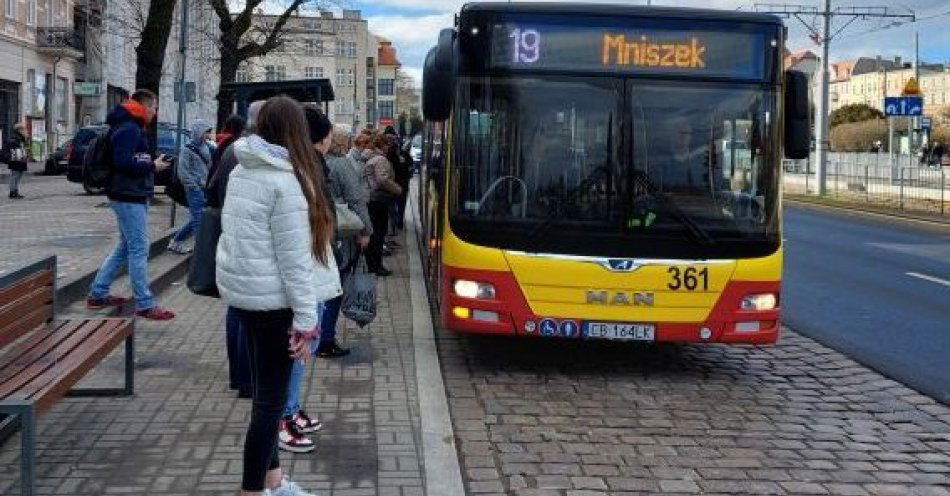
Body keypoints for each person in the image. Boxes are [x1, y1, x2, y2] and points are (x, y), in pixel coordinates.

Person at [217, 96, 340, 496]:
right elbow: (295, 262)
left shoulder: (244, 169)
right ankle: (253, 491)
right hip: (276, 304)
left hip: (250, 299)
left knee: (264, 400)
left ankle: (272, 481)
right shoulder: (286, 181)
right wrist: (307, 320)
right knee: (269, 408)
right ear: (296, 132)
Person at [87, 90, 175, 320]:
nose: (155, 113)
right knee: (139, 249)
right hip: (128, 195)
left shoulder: (129, 126)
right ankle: (145, 304)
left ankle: (98, 293)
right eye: (154, 108)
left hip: (129, 194)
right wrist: (151, 165)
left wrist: (148, 163)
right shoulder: (129, 128)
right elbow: (123, 161)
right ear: (144, 106)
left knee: (125, 247)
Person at [206, 111, 252, 398]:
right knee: (247, 312)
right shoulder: (251, 156)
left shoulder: (232, 150)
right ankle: (247, 379)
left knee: (236, 309)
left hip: (231, 235)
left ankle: (239, 376)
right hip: (247, 244)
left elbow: (213, 190)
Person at [316, 122, 371, 358]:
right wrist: (366, 230)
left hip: (318, 228)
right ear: (342, 141)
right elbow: (357, 200)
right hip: (339, 231)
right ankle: (325, 339)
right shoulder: (341, 164)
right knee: (334, 287)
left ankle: (317, 335)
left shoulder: (317, 162)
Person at [168, 120, 213, 254]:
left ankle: (175, 242)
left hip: (203, 188)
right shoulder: (186, 149)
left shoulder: (206, 147)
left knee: (196, 218)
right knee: (199, 220)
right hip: (194, 190)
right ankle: (201, 252)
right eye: (206, 132)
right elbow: (183, 171)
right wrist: (193, 186)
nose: (208, 135)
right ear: (198, 132)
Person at [364, 134, 402, 276]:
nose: (389, 147)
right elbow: (382, 180)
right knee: (378, 234)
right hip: (379, 200)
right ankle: (376, 266)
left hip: (371, 199)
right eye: (387, 144)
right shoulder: (380, 159)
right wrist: (398, 189)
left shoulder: (370, 157)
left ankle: (372, 264)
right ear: (383, 145)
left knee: (374, 234)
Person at [3, 123, 29, 199]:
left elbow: (24, 147)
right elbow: (15, 148)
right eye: (24, 129)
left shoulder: (21, 138)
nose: (25, 131)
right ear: (20, 130)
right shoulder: (15, 138)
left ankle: (15, 191)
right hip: (15, 160)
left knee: (18, 176)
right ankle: (13, 192)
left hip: (20, 160)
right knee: (14, 176)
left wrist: (26, 138)